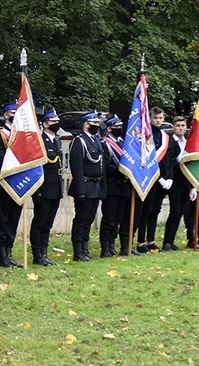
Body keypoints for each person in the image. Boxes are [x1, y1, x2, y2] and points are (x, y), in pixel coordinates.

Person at [68, 112, 105, 261]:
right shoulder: (79, 141)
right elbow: (76, 167)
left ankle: (85, 248)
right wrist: (80, 190)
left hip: (94, 185)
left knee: (89, 220)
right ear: (86, 124)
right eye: (94, 123)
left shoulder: (95, 140)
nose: (98, 125)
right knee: (81, 219)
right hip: (84, 185)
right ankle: (78, 251)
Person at [0, 101, 23, 268]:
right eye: (12, 112)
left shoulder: (23, 135)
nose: (15, 114)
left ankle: (9, 252)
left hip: (20, 182)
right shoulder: (0, 134)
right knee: (2, 219)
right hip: (4, 182)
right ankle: (1, 254)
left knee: (13, 219)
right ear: (5, 115)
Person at [30, 109, 63, 265]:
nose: (56, 124)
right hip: (43, 187)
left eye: (57, 121)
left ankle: (44, 252)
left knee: (48, 223)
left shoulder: (56, 140)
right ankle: (37, 255)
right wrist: (37, 190)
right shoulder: (40, 140)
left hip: (55, 186)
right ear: (44, 124)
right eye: (52, 121)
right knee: (40, 222)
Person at [136, 106, 171, 253]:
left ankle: (151, 240)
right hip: (150, 179)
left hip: (163, 180)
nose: (158, 120)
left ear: (163, 119)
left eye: (160, 118)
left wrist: (169, 178)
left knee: (155, 211)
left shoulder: (165, 136)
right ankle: (141, 242)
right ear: (150, 118)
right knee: (146, 210)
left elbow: (168, 159)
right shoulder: (146, 135)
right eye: (155, 118)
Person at [98, 115, 130, 257]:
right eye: (116, 127)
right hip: (111, 186)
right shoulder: (105, 144)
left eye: (120, 126)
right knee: (109, 218)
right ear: (109, 128)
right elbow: (106, 165)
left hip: (123, 186)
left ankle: (112, 245)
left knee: (118, 218)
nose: (119, 129)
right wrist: (121, 169)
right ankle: (105, 247)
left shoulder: (123, 143)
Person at [162, 116, 192, 251]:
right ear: (173, 127)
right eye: (178, 125)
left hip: (186, 182)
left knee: (180, 212)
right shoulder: (170, 142)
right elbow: (168, 161)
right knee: (174, 211)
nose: (181, 128)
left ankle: (172, 241)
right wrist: (178, 161)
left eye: (183, 126)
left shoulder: (187, 142)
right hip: (174, 182)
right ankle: (167, 242)